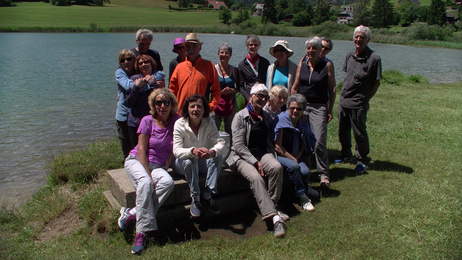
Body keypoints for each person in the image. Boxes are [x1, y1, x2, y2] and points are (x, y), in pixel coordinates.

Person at [118, 88, 179, 255]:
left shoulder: (176, 120)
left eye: (166, 102)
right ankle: (141, 234)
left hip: (158, 165)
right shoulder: (147, 120)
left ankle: (132, 213)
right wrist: (148, 173)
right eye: (158, 102)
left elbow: (179, 141)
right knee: (145, 183)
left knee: (167, 183)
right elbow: (141, 150)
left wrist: (167, 163)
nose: (162, 106)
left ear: (171, 104)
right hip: (137, 161)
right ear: (153, 105)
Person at [226, 83, 287, 238]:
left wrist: (268, 156)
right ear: (251, 96)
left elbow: (269, 141)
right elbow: (238, 146)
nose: (262, 99)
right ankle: (274, 218)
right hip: (241, 157)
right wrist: (255, 162)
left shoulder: (265, 116)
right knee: (256, 178)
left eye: (265, 96)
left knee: (276, 167)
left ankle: (272, 206)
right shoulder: (240, 117)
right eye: (259, 95)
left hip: (262, 154)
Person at [291, 36, 336, 187]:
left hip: (319, 106)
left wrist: (329, 109)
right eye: (309, 48)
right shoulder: (302, 63)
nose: (311, 51)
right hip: (303, 106)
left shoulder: (327, 65)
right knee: (302, 138)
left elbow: (332, 89)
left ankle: (323, 174)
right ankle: (306, 170)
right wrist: (292, 105)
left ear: (320, 50)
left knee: (318, 141)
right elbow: (295, 86)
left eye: (314, 48)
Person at [338, 25, 382, 174]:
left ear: (367, 40)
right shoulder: (349, 55)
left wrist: (366, 98)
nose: (358, 39)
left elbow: (376, 82)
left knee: (359, 132)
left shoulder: (374, 58)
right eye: (356, 36)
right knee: (343, 130)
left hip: (359, 102)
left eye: (362, 37)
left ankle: (362, 159)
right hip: (344, 100)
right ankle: (345, 154)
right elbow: (347, 76)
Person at [173, 95, 225, 218]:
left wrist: (211, 152)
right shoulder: (179, 124)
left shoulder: (209, 121)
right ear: (187, 108)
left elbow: (220, 142)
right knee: (189, 161)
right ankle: (195, 198)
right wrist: (192, 151)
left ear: (204, 109)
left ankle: (208, 193)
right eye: (192, 106)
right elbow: (176, 150)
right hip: (183, 163)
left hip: (202, 161)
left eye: (199, 106)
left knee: (218, 156)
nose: (195, 109)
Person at [274, 94, 317, 211]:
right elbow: (277, 146)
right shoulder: (282, 119)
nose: (295, 111)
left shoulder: (303, 120)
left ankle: (298, 192)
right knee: (294, 167)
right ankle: (303, 196)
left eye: (299, 109)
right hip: (280, 155)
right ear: (287, 107)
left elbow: (304, 141)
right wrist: (293, 158)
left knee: (305, 171)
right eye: (292, 107)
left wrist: (298, 156)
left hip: (295, 155)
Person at [169, 33, 221, 112]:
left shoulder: (209, 66)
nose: (191, 48)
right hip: (181, 114)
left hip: (200, 114)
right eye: (188, 46)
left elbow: (216, 90)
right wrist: (172, 109)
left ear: (200, 47)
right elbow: (172, 90)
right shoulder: (179, 67)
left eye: (194, 45)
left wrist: (210, 106)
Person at [127, 55, 165, 147]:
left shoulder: (158, 78)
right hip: (136, 122)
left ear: (151, 64)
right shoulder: (134, 79)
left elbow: (161, 101)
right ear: (138, 66)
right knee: (136, 150)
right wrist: (136, 87)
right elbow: (129, 102)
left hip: (153, 121)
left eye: (146, 62)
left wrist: (155, 85)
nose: (144, 64)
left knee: (152, 149)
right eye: (140, 63)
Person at [115, 49, 143, 157]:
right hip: (123, 116)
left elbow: (157, 73)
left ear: (134, 60)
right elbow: (127, 85)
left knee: (136, 144)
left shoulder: (137, 73)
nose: (126, 62)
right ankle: (127, 165)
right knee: (125, 144)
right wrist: (142, 82)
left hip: (135, 116)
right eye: (122, 60)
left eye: (129, 59)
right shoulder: (119, 72)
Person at [214, 43, 239, 135]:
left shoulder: (235, 70)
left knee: (230, 131)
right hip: (216, 104)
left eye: (226, 53)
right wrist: (221, 92)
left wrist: (232, 90)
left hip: (231, 104)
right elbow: (209, 88)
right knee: (214, 131)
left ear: (230, 55)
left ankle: (230, 148)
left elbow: (238, 88)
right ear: (218, 54)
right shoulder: (213, 69)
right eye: (221, 52)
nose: (224, 55)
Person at [238, 35, 270, 102]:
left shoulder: (265, 62)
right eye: (251, 45)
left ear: (259, 46)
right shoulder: (242, 65)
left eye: (256, 45)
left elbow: (269, 80)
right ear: (247, 46)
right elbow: (241, 86)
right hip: (250, 97)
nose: (253, 47)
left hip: (264, 97)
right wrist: (248, 97)